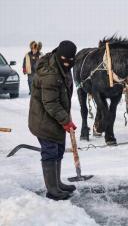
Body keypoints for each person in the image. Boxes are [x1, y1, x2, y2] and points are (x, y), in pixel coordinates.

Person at [28, 40, 78, 200]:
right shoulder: (50, 73)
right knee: (50, 152)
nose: (68, 63)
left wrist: (64, 118)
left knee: (59, 149)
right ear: (59, 55)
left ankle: (57, 183)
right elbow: (50, 102)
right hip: (43, 119)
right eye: (65, 59)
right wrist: (65, 120)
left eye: (71, 60)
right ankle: (52, 191)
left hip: (55, 118)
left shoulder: (63, 66)